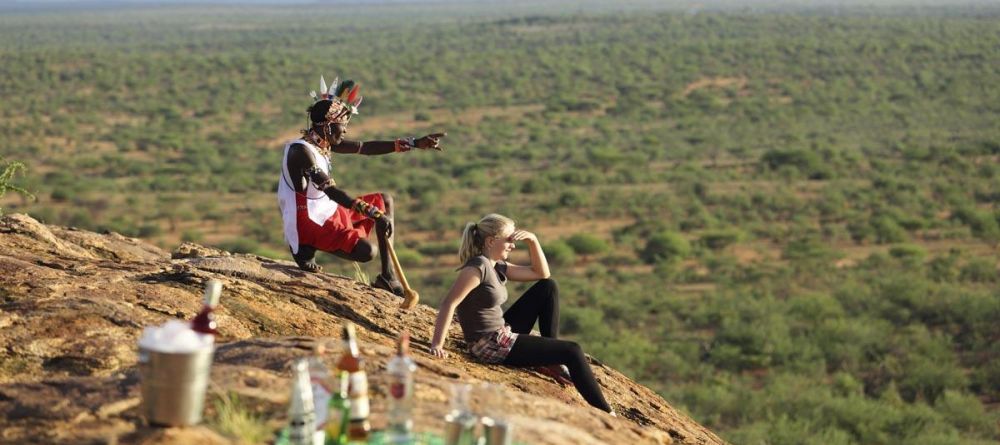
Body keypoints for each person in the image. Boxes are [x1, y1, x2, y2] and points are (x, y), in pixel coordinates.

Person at [428, 214, 615, 414]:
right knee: (572, 350)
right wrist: (437, 344)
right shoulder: (477, 267)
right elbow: (450, 303)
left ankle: (551, 360)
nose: (513, 245)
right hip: (489, 343)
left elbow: (541, 274)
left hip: (500, 331)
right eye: (509, 240)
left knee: (547, 287)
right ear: (491, 241)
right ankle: (606, 413)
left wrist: (533, 241)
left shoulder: (496, 265)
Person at [277, 75, 446, 296]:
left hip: (329, 210)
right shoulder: (301, 151)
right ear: (327, 127)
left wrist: (414, 143)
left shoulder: (323, 143)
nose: (345, 131)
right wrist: (373, 214)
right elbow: (331, 191)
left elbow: (365, 147)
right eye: (342, 126)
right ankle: (305, 247)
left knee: (384, 200)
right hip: (308, 221)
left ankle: (388, 277)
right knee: (367, 251)